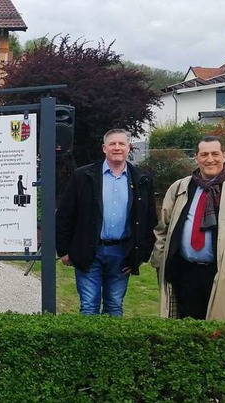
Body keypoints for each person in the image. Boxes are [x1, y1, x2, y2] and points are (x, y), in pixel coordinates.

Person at [152, 136, 225, 320]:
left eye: (215, 154)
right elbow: (163, 228)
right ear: (196, 157)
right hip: (184, 271)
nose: (209, 159)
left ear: (224, 156)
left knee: (219, 329)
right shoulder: (180, 187)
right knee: (183, 327)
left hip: (222, 271)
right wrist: (159, 262)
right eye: (204, 154)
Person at [56, 129, 157, 316]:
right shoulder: (83, 176)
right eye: (112, 144)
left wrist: (141, 255)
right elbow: (65, 214)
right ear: (104, 148)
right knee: (88, 306)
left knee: (114, 306)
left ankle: (111, 346)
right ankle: (88, 346)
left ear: (129, 148)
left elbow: (149, 220)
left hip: (122, 253)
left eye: (121, 144)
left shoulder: (142, 179)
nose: (117, 148)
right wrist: (63, 250)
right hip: (89, 250)